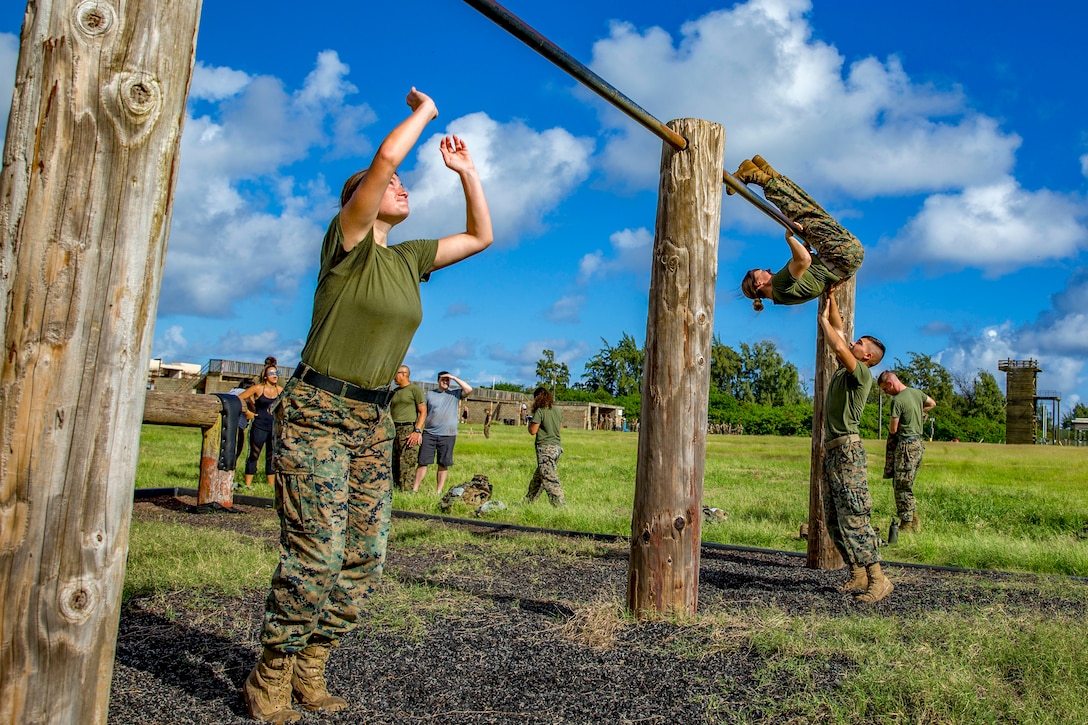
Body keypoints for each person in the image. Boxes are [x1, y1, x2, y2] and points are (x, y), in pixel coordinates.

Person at [243, 87, 492, 723]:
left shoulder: (409, 259)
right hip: (317, 412)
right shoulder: (347, 244)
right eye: (394, 185)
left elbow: (480, 237)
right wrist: (425, 113)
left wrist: (467, 174)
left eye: (407, 184)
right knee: (316, 553)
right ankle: (269, 673)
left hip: (369, 421)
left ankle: (312, 665)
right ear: (360, 202)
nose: (403, 187)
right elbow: (383, 157)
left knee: (365, 555)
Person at [817, 287, 891, 603]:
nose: (854, 343)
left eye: (859, 344)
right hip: (833, 450)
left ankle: (878, 579)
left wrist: (822, 321)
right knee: (835, 519)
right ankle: (857, 573)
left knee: (855, 517)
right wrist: (831, 301)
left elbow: (835, 340)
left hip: (848, 452)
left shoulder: (860, 374)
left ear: (867, 357)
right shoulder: (850, 369)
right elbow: (840, 331)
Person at [732, 156, 865, 310]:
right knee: (803, 214)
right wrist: (789, 237)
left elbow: (809, 269)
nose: (768, 269)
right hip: (839, 254)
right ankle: (757, 176)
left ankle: (770, 175)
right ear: (759, 283)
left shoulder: (782, 295)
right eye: (762, 271)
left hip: (844, 258)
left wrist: (804, 247)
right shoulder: (778, 286)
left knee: (810, 210)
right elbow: (804, 261)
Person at [877, 371, 936, 533]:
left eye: (885, 389)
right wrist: (918, 412)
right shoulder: (917, 393)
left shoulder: (897, 400)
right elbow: (932, 403)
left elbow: (893, 429)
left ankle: (907, 523)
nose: (885, 393)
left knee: (901, 485)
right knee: (907, 484)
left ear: (890, 383)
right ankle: (913, 519)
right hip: (918, 444)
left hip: (905, 446)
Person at [413, 371, 472, 495]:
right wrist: (418, 430)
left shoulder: (455, 394)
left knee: (443, 463)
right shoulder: (429, 395)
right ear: (438, 380)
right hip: (429, 433)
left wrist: (454, 377)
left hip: (448, 434)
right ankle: (415, 489)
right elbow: (422, 413)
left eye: (447, 380)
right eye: (443, 379)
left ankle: (438, 491)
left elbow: (468, 389)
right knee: (422, 462)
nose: (445, 381)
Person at [237, 364, 283, 489]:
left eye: (276, 373)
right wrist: (247, 412)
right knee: (254, 455)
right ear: (265, 376)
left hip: (273, 427)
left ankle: (270, 486)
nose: (274, 375)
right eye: (271, 373)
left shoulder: (281, 390)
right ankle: (248, 484)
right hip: (259, 426)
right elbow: (238, 399)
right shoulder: (258, 388)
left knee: (271, 456)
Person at [525, 387, 565, 507]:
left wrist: (529, 424)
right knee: (538, 479)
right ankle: (527, 503)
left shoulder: (540, 411)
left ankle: (560, 507)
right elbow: (560, 429)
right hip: (557, 448)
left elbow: (533, 431)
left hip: (545, 449)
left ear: (537, 397)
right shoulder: (557, 410)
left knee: (549, 479)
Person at [390, 365, 426, 492]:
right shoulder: (394, 392)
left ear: (404, 374)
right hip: (394, 428)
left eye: (396, 373)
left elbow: (423, 411)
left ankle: (406, 490)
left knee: (406, 462)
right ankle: (395, 489)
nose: (394, 376)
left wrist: (417, 431)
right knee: (394, 460)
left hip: (408, 428)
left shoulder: (414, 390)